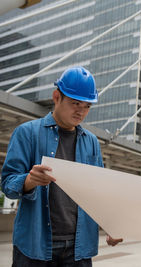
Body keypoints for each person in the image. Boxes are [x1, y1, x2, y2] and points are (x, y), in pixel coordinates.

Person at [1, 66, 122, 266]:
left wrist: (111, 224)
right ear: (56, 96)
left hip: (78, 248)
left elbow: (99, 192)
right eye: (75, 103)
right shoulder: (27, 133)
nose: (81, 112)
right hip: (35, 245)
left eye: (87, 106)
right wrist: (29, 180)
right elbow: (7, 185)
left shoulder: (91, 142)